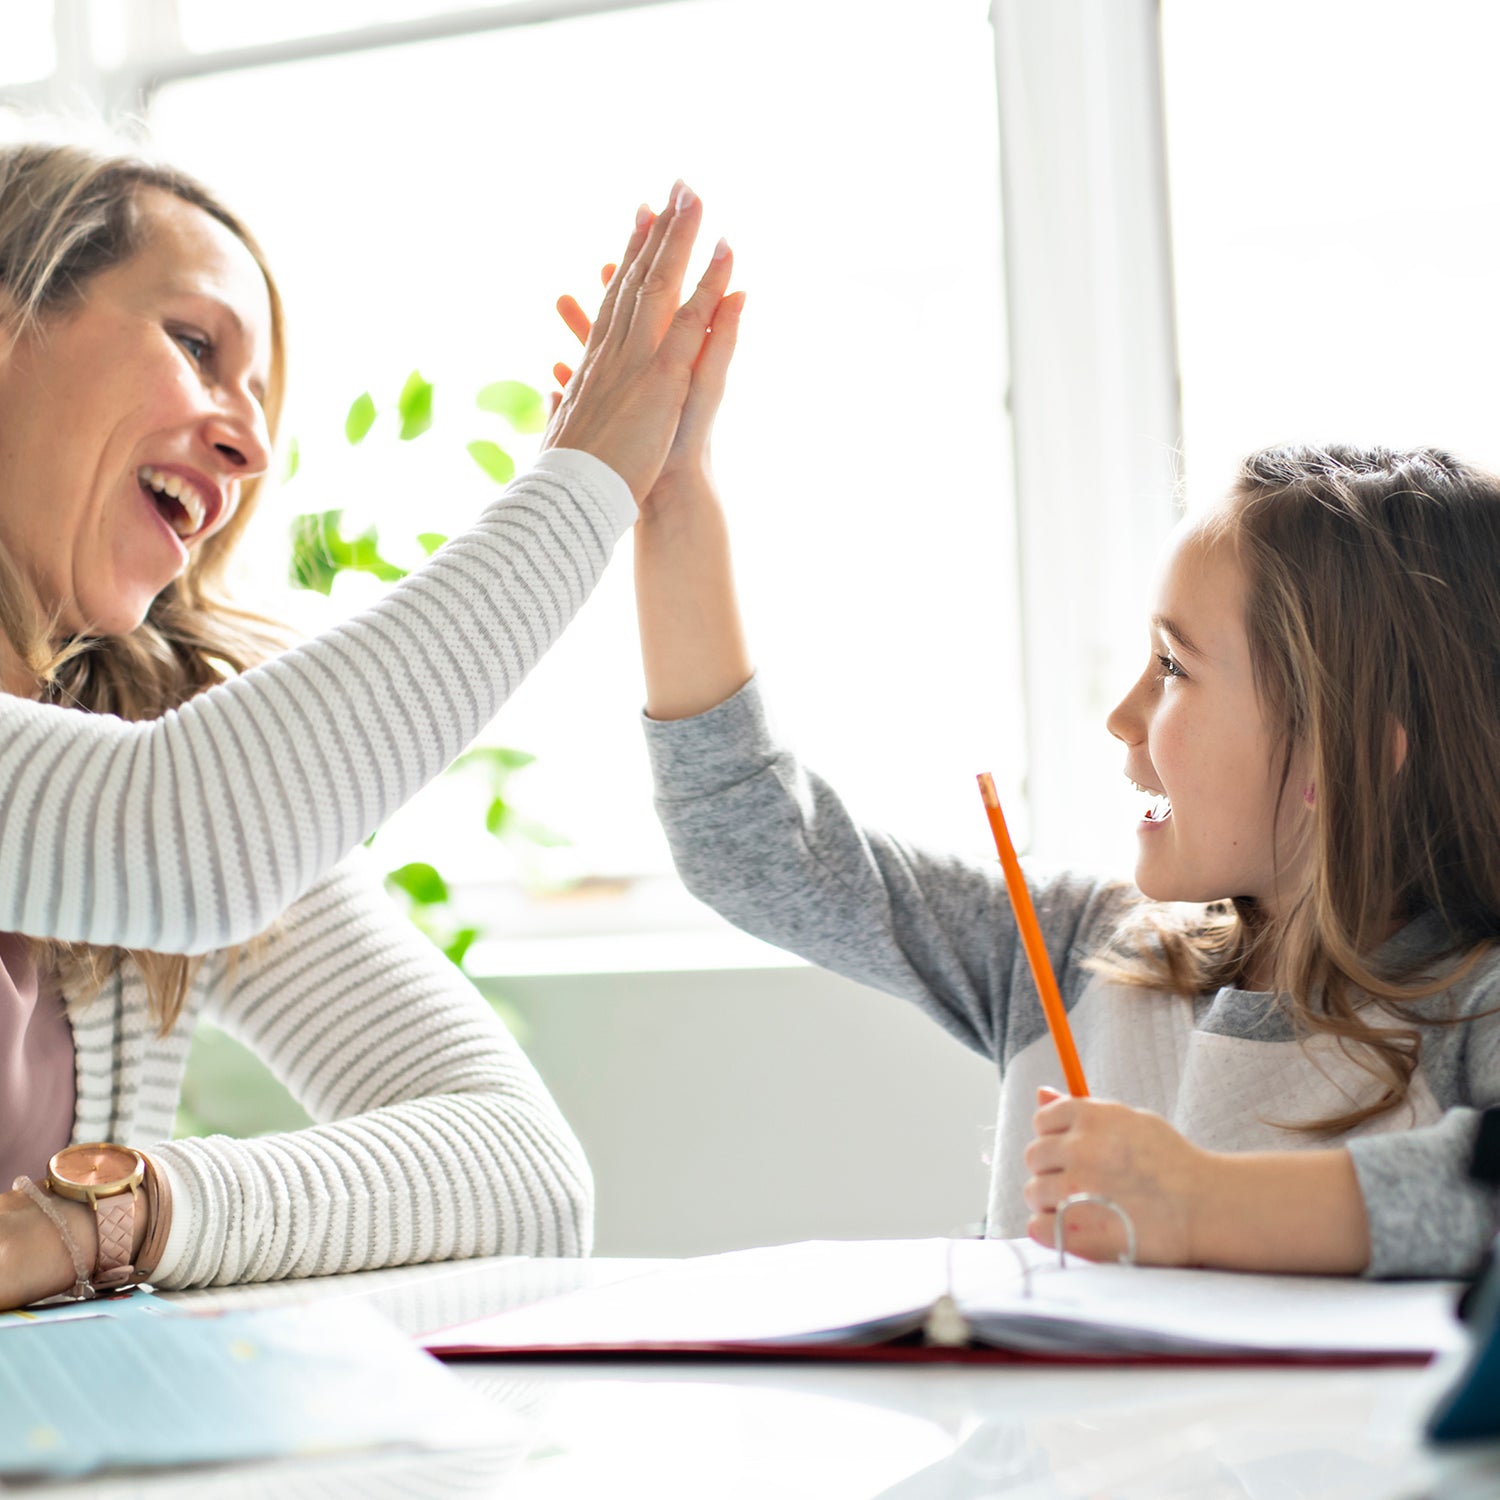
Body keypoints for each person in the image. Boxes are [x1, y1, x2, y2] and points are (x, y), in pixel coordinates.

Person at [0, 135, 736, 1310]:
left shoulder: (146, 737)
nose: (247, 449)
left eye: (260, 404)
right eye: (196, 346)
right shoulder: (170, 816)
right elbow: (182, 836)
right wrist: (583, 479)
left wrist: (110, 1218)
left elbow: (525, 1172)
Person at [620, 360, 1500, 1276]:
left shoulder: (1473, 1010)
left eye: (1173, 667)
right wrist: (674, 498)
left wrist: (1195, 1203)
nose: (1122, 717)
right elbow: (758, 849)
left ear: (1339, 751)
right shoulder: (1077, 950)